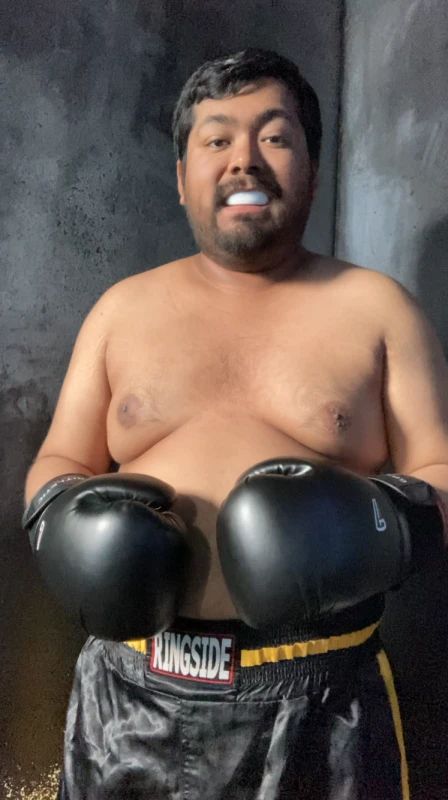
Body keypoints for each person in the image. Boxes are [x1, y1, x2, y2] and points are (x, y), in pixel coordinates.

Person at [22, 48, 448, 800]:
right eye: (217, 139)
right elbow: (59, 459)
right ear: (182, 177)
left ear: (312, 168)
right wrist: (64, 518)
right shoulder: (121, 310)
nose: (244, 159)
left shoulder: (379, 309)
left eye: (275, 137)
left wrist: (371, 525)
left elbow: (440, 474)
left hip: (318, 702)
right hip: (128, 700)